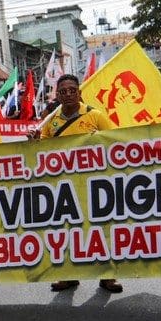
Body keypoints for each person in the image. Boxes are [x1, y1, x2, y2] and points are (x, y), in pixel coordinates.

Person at [39, 75, 122, 294]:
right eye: (63, 91)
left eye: (72, 90)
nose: (67, 94)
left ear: (79, 93)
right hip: (64, 185)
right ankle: (68, 275)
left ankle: (108, 276)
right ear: (57, 95)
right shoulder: (50, 121)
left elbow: (115, 141)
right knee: (66, 230)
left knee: (101, 229)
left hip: (95, 184)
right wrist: (34, 141)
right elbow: (43, 151)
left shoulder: (95, 116)